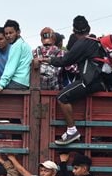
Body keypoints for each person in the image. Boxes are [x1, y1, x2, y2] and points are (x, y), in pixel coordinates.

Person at [42, 15, 106, 146]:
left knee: (61, 96)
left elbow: (66, 60)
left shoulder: (83, 42)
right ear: (89, 28)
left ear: (74, 31)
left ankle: (72, 130)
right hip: (100, 80)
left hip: (89, 80)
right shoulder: (96, 40)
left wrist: (47, 60)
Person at [0, 20, 32, 92]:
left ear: (18, 32)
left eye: (11, 33)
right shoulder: (24, 44)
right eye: (6, 33)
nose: (8, 36)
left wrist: (0, 86)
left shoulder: (16, 46)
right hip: (25, 82)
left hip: (18, 82)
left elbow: (10, 68)